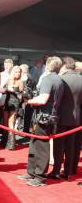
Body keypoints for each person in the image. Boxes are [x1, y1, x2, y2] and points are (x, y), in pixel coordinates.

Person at [18, 56, 64, 187]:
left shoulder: (48, 79)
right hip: (47, 116)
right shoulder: (59, 80)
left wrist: (29, 101)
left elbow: (43, 99)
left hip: (43, 117)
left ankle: (39, 176)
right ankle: (32, 172)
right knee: (34, 144)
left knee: (41, 146)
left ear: (48, 65)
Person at [49, 57, 82, 179]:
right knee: (71, 146)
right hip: (77, 118)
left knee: (59, 146)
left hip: (61, 117)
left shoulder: (61, 79)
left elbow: (56, 99)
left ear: (64, 66)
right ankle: (68, 172)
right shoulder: (81, 79)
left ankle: (56, 171)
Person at [2, 65, 24, 150]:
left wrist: (11, 89)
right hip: (7, 102)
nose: (18, 73)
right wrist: (5, 89)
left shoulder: (21, 82)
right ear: (13, 72)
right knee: (5, 123)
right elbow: (3, 89)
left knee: (11, 122)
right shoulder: (8, 80)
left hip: (15, 103)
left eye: (19, 72)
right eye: (16, 71)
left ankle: (11, 145)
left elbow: (20, 92)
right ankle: (4, 143)